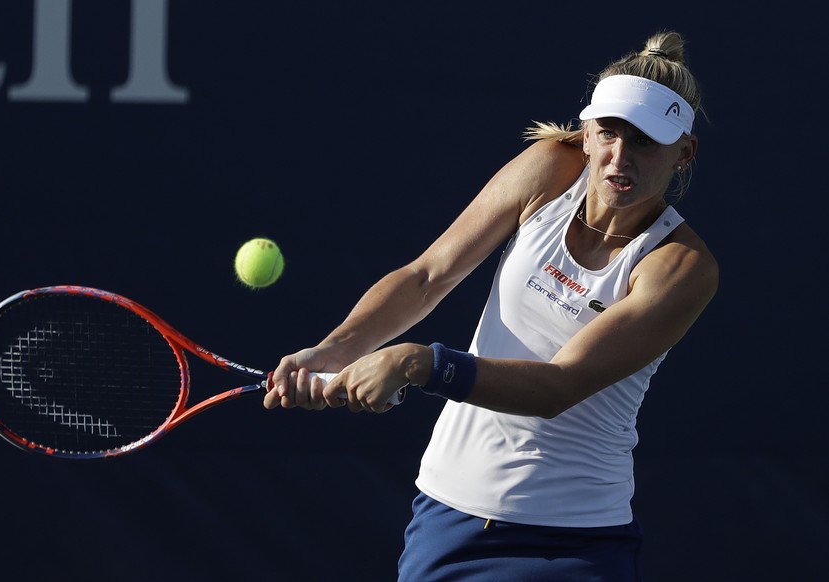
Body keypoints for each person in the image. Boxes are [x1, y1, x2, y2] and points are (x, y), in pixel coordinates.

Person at [264, 30, 719, 581]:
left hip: (574, 544)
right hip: (448, 515)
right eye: (608, 133)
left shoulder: (681, 267)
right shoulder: (551, 168)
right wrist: (334, 350)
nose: (619, 156)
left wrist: (419, 363)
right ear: (587, 130)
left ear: (684, 152)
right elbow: (426, 277)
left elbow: (559, 387)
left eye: (644, 141)